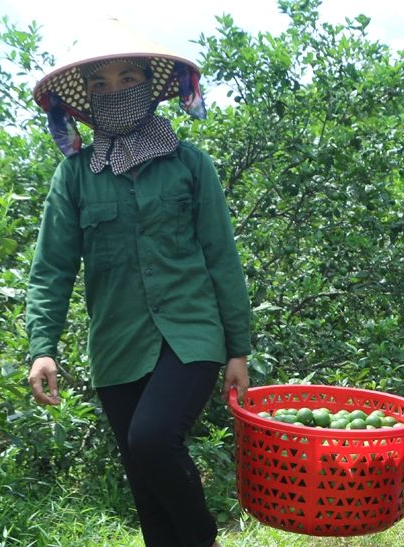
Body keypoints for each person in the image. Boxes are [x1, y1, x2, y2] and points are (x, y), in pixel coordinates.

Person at [25, 18, 250, 547]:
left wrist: (237, 349)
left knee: (151, 440)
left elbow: (221, 258)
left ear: (150, 87)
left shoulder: (191, 165)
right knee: (143, 479)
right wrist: (43, 346)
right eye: (101, 84)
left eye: (128, 79)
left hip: (191, 333)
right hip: (117, 342)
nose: (115, 91)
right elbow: (53, 266)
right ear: (85, 98)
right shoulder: (75, 175)